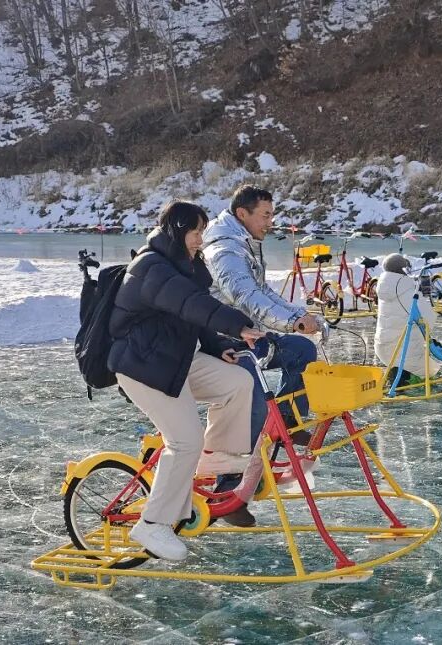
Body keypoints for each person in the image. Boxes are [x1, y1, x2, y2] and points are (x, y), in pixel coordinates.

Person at [108, 201, 265, 560]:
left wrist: (218, 345)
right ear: (177, 231)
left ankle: (216, 458)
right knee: (183, 441)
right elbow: (192, 304)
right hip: (143, 367)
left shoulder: (187, 266)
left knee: (238, 381)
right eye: (196, 232)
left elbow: (192, 319)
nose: (200, 239)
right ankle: (152, 524)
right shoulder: (152, 268)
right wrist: (238, 325)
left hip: (176, 359)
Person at [202, 185, 319, 445]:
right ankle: (233, 472)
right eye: (265, 215)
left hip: (251, 337)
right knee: (253, 399)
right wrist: (292, 322)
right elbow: (246, 297)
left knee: (302, 350)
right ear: (242, 213)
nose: (271, 222)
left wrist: (298, 314)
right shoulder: (225, 250)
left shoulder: (245, 243)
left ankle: (287, 423)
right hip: (226, 342)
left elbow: (262, 289)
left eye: (272, 215)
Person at [374, 253, 440, 387]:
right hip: (405, 347)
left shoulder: (385, 287)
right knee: (421, 360)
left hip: (383, 345)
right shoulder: (406, 288)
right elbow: (427, 317)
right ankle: (403, 380)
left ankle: (397, 375)